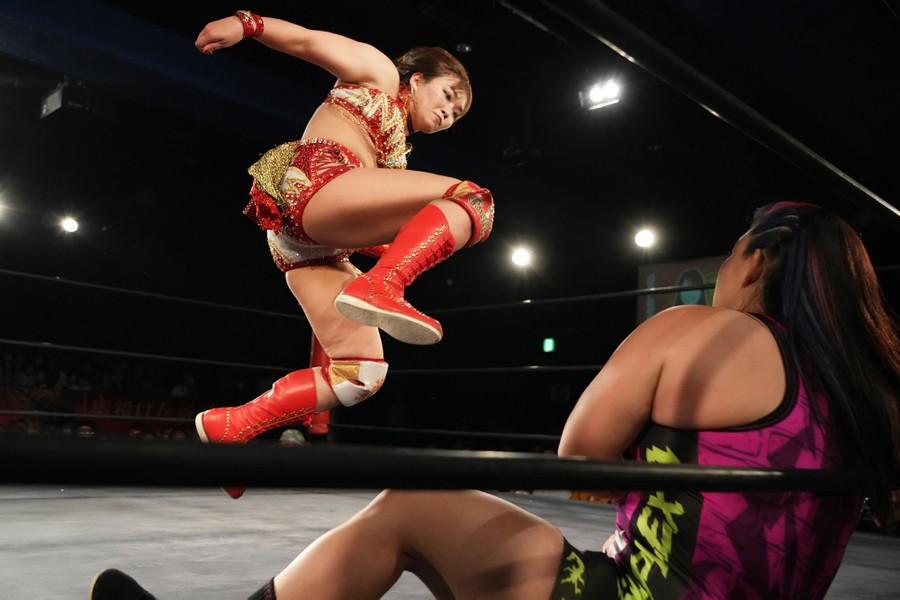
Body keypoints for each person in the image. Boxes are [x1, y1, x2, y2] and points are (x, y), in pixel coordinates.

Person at [90, 201, 899, 598]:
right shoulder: (867, 395)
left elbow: (580, 450)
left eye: (729, 256)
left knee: (410, 501)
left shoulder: (703, 330)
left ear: (758, 261)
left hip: (634, 596)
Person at [189, 11, 495, 495]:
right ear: (417, 79)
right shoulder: (379, 74)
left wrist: (415, 245)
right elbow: (309, 42)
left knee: (361, 374)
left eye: (457, 115)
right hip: (319, 184)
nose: (448, 114)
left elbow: (366, 229)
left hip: (306, 245)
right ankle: (383, 286)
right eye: (448, 97)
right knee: (473, 199)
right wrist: (245, 24)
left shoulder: (395, 156)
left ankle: (235, 426)